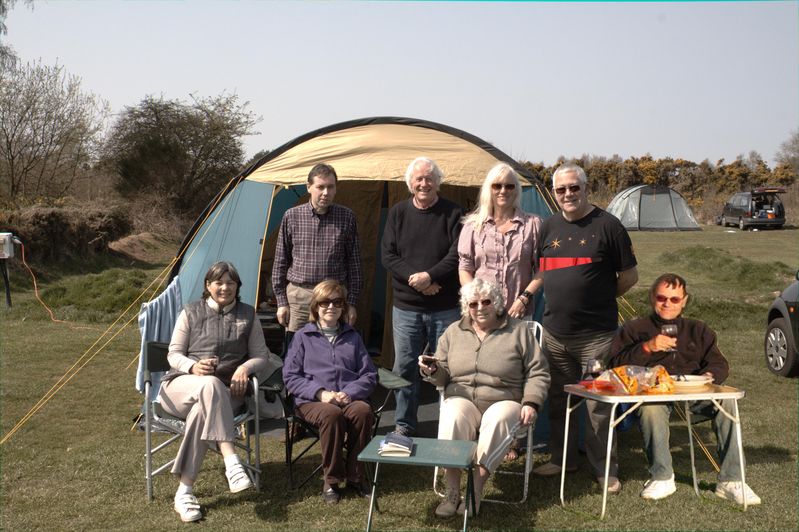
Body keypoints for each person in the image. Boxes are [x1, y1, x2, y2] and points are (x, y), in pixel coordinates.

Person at [528, 163, 638, 494]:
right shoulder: (548, 228)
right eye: (561, 190)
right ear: (554, 193)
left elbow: (630, 277)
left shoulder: (609, 227)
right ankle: (563, 460)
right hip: (556, 336)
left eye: (573, 187)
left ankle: (605, 469)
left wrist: (599, 298)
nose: (567, 194)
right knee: (560, 401)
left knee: (597, 406)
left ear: (585, 187)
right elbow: (544, 271)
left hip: (597, 337)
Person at [607, 273, 761, 505]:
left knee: (727, 401)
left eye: (674, 299)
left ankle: (731, 480)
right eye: (661, 298)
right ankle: (662, 476)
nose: (667, 303)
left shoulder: (698, 330)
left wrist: (709, 377)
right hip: (654, 396)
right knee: (651, 408)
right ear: (652, 298)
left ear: (684, 301)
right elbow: (614, 364)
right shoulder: (634, 329)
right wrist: (647, 348)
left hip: (694, 395)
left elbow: (719, 363)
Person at [158, 261, 282, 523]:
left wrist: (245, 368)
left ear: (237, 286)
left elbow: (261, 356)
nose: (225, 287)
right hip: (182, 386)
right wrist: (193, 366)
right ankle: (231, 460)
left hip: (227, 393)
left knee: (204, 408)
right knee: (210, 384)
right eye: (219, 282)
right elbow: (173, 354)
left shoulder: (248, 314)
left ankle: (185, 492)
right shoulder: (190, 312)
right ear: (208, 285)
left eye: (230, 282)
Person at [419, 279, 550, 517]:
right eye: (473, 304)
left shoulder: (518, 331)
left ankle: (474, 491)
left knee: (499, 418)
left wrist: (531, 401)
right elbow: (442, 374)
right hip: (462, 397)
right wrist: (432, 371)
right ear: (466, 307)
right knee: (452, 413)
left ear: (497, 302)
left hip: (504, 399)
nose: (480, 308)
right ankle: (451, 491)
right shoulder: (453, 332)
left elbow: (538, 371)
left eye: (486, 301)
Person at [381, 156, 463, 436]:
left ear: (438, 182)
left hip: (445, 307)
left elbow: (458, 255)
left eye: (429, 178)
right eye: (418, 179)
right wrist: (419, 281)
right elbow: (388, 255)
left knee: (447, 368)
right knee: (403, 368)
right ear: (410, 183)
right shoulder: (398, 213)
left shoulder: (453, 213)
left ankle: (449, 427)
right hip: (406, 308)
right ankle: (404, 425)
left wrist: (431, 276)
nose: (424, 183)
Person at [283, 279, 378, 504]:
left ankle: (356, 475)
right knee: (331, 414)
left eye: (337, 302)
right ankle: (332, 479)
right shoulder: (302, 337)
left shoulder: (353, 337)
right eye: (325, 302)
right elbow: (290, 376)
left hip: (347, 397)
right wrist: (320, 393)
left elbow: (369, 375)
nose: (331, 307)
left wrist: (350, 392)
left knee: (363, 411)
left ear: (343, 308)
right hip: (312, 401)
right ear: (316, 306)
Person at [272, 163, 363, 337]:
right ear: (309, 187)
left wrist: (351, 303)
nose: (326, 193)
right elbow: (280, 261)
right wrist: (282, 302)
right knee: (296, 351)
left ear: (336, 188)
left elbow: (355, 264)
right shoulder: (292, 216)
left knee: (332, 352)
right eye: (320, 187)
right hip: (300, 298)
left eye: (330, 187)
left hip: (334, 300)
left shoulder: (346, 217)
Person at [458, 162, 541, 320]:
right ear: (489, 189)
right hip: (483, 316)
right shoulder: (472, 226)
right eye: (497, 186)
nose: (503, 191)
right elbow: (465, 268)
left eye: (509, 186)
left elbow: (543, 268)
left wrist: (524, 299)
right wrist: (476, 300)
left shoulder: (533, 225)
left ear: (516, 190)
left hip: (518, 314)